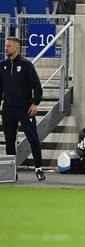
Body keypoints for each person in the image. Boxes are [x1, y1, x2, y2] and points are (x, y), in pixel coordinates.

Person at [0, 36, 45, 181]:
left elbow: (37, 87)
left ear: (17, 48)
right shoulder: (2, 65)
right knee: (9, 140)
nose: (6, 48)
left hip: (25, 108)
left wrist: (35, 103)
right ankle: (11, 172)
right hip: (8, 109)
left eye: (9, 46)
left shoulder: (26, 65)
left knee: (33, 138)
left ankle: (38, 168)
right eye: (6, 45)